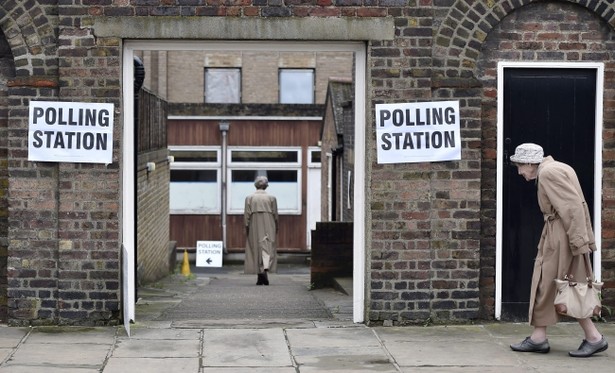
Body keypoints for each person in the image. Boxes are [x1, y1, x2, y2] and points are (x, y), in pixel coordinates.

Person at [508, 143, 608, 358]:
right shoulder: (558, 167)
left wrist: (578, 241)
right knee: (557, 285)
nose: (519, 172)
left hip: (562, 235)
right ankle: (539, 337)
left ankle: (593, 338)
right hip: (561, 232)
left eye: (520, 166)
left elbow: (571, 207)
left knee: (563, 285)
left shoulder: (548, 173)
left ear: (529, 162)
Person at [244, 175, 278, 285]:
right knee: (267, 246)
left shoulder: (249, 198)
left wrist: (246, 227)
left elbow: (246, 215)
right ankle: (264, 271)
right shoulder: (271, 198)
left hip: (254, 222)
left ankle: (260, 274)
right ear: (266, 186)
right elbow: (275, 214)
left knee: (256, 247)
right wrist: (276, 226)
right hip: (269, 222)